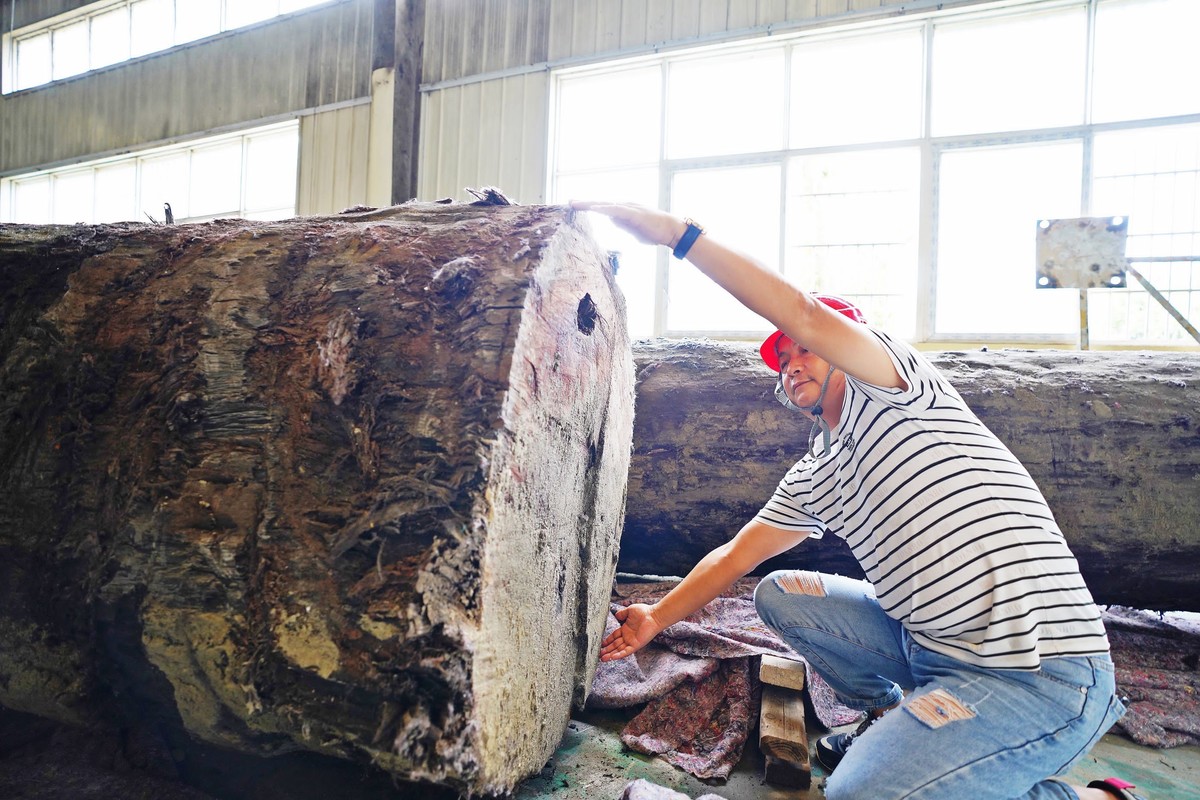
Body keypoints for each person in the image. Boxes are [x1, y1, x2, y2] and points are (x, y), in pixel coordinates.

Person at [570, 200, 1144, 800]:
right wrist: (656, 617)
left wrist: (677, 235)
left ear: (846, 345)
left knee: (856, 793)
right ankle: (888, 716)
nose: (791, 366)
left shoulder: (899, 385)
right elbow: (736, 555)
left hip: (1039, 673)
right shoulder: (816, 471)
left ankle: (1094, 797)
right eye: (783, 362)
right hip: (926, 648)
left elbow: (802, 311)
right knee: (779, 593)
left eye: (803, 350)